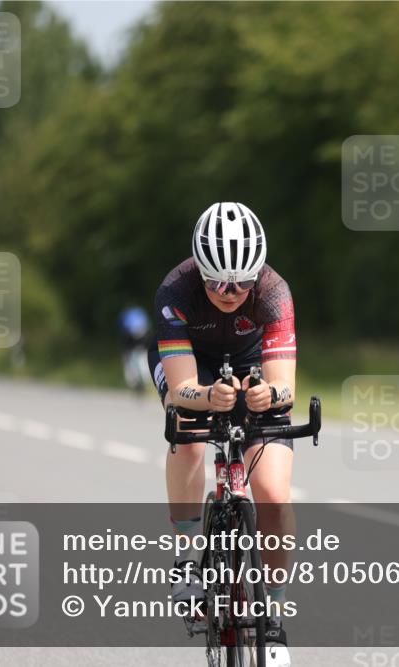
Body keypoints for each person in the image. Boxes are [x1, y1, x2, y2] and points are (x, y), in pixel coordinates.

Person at [149, 202, 296, 666]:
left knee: (272, 493)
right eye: (217, 281)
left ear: (258, 274)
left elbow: (285, 386)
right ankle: (186, 556)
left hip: (253, 365)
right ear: (199, 270)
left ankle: (272, 619)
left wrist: (267, 396)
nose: (230, 291)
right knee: (189, 438)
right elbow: (181, 389)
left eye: (241, 281)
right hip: (192, 368)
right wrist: (207, 395)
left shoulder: (274, 292)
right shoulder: (176, 290)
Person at [118, 305, 151, 393]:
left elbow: (123, 333)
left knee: (132, 360)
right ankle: (141, 382)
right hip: (141, 341)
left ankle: (135, 382)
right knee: (140, 360)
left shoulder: (127, 318)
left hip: (133, 342)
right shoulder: (139, 315)